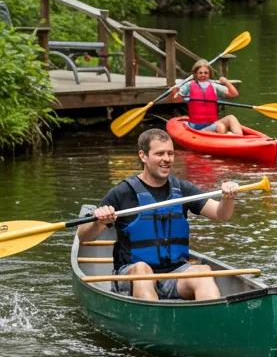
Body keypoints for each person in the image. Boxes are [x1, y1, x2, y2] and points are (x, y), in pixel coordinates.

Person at [75, 128, 240, 301]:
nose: (166, 159)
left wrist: (228, 198)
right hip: (132, 275)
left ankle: (211, 322)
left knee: (203, 273)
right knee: (142, 270)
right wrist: (100, 222)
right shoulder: (122, 192)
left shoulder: (182, 189)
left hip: (175, 273)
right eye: (159, 154)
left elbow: (221, 214)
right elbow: (83, 236)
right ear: (143, 156)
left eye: (170, 153)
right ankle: (153, 324)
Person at [177, 59, 243, 135]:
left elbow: (234, 94)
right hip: (196, 127)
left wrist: (226, 82)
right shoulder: (188, 85)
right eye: (200, 73)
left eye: (206, 73)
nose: (203, 75)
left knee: (231, 118)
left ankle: (239, 139)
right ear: (195, 74)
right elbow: (177, 97)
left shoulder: (214, 86)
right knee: (220, 127)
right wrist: (177, 93)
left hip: (210, 124)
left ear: (209, 74)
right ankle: (229, 136)